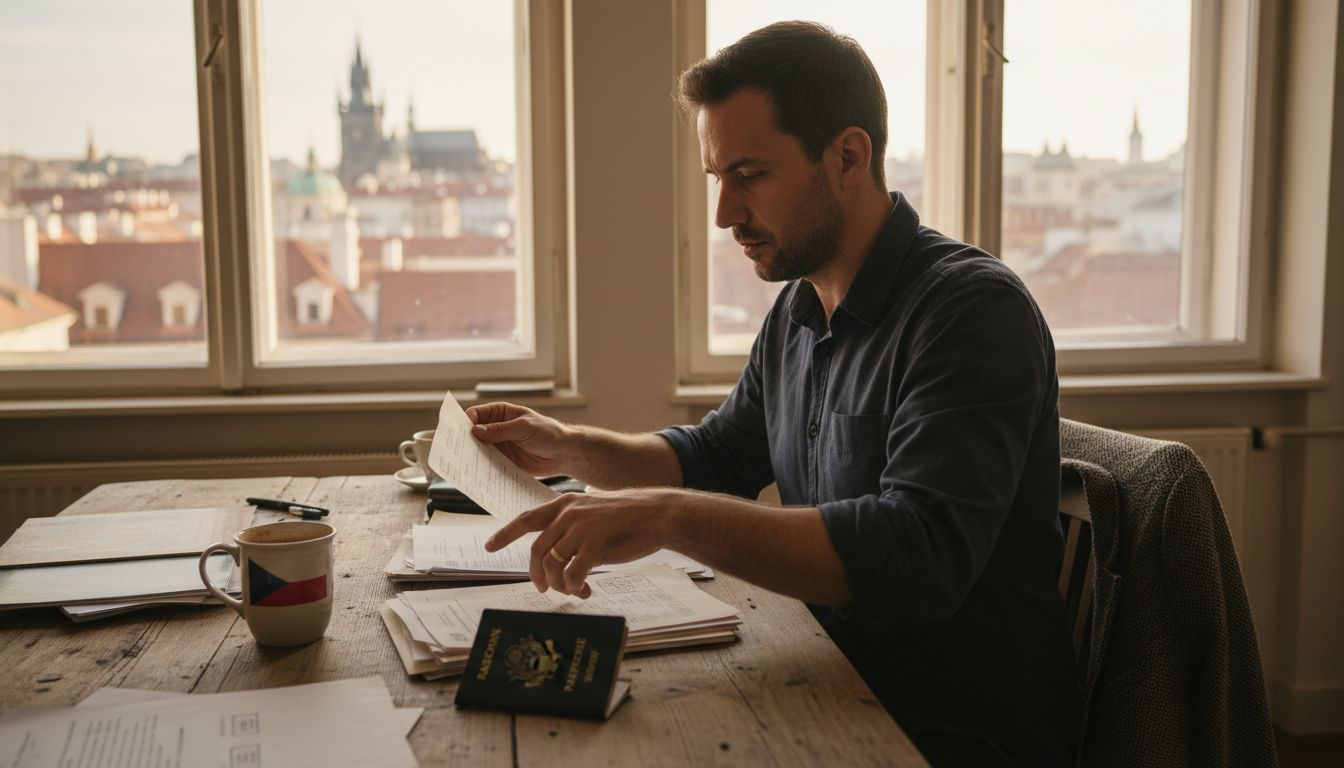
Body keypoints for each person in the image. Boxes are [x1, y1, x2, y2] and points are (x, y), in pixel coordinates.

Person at [474, 20, 1078, 767]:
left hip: (949, 727)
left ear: (848, 156)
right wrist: (568, 448)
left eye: (749, 175)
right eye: (716, 179)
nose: (725, 213)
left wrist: (668, 517)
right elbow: (719, 453)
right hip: (831, 678)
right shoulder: (798, 309)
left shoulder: (970, 312)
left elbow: (920, 556)